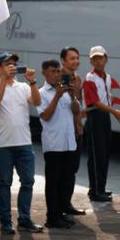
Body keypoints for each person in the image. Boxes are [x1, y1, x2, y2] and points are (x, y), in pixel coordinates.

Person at [0, 53, 44, 235]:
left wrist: (33, 82)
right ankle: (5, 222)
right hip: (2, 144)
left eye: (13, 64)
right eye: (6, 64)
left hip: (24, 142)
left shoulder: (23, 87)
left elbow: (37, 101)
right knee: (5, 183)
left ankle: (24, 219)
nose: (11, 67)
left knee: (28, 182)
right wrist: (3, 79)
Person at [38, 60, 80, 230]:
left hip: (68, 142)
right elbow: (46, 116)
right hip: (53, 144)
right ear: (44, 73)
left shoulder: (65, 91)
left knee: (65, 179)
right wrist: (57, 96)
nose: (56, 75)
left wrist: (73, 96)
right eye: (53, 71)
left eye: (58, 71)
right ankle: (52, 216)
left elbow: (77, 111)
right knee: (53, 181)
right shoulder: (41, 93)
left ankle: (61, 212)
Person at [82, 46, 120, 202]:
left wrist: (112, 110)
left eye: (100, 58)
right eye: (95, 59)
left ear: (106, 59)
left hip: (105, 116)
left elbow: (107, 97)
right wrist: (114, 111)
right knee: (96, 155)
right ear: (90, 61)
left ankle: (100, 187)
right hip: (95, 116)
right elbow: (94, 102)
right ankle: (94, 190)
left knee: (104, 153)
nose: (98, 61)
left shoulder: (107, 77)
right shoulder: (90, 78)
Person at [58, 46, 87, 218]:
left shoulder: (78, 79)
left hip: (76, 130)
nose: (76, 61)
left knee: (72, 169)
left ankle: (67, 204)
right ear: (63, 61)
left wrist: (80, 124)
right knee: (61, 170)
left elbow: (79, 105)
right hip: (62, 131)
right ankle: (58, 206)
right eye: (72, 58)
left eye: (77, 58)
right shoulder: (58, 78)